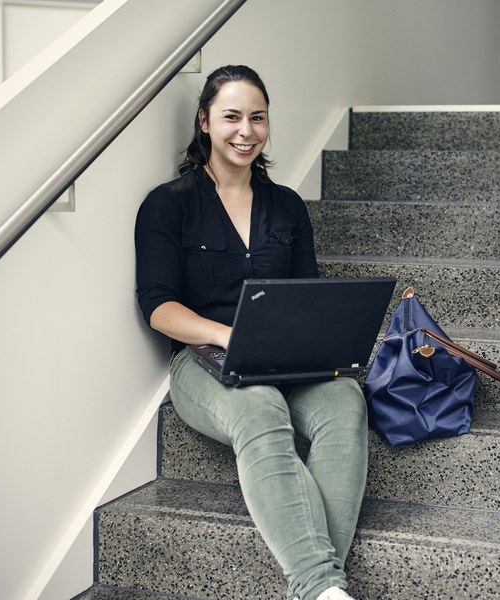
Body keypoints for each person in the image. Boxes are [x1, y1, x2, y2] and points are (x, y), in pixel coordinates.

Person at [134, 65, 366, 600]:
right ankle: (321, 586)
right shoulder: (169, 205)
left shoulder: (286, 205)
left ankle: (320, 589)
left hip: (287, 356)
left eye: (257, 118)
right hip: (203, 362)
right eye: (231, 116)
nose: (246, 130)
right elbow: (158, 308)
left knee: (345, 402)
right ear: (205, 122)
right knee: (260, 406)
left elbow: (307, 296)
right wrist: (223, 333)